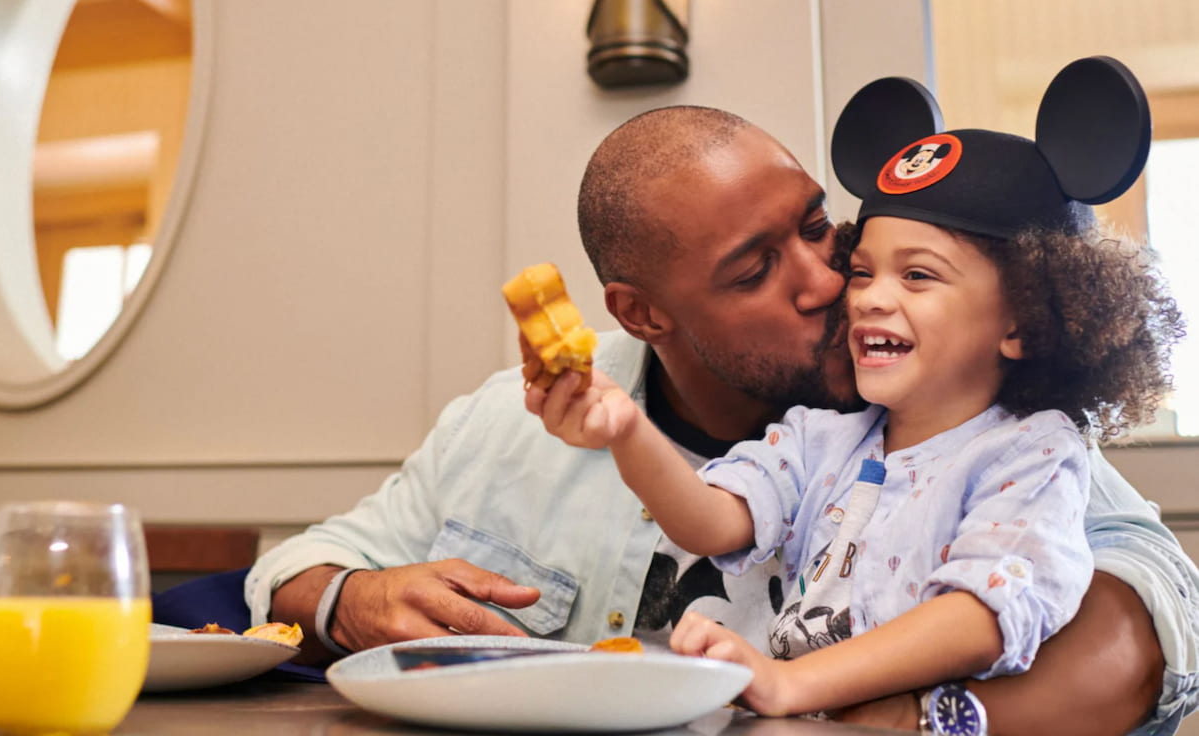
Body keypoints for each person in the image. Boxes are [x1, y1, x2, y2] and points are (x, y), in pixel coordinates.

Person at [245, 101, 1199, 733]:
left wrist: (889, 716)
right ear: (642, 313)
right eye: (755, 270)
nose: (832, 281)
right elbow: (292, 571)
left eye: (822, 227)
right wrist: (351, 600)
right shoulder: (505, 422)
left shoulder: (963, 421)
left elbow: (1150, 616)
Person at [526, 61, 1183, 724]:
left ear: (1023, 320)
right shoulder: (823, 437)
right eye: (864, 269)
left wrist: (794, 684)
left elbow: (982, 614)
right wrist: (626, 432)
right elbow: (711, 519)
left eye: (918, 276)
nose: (863, 296)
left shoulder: (1033, 454)